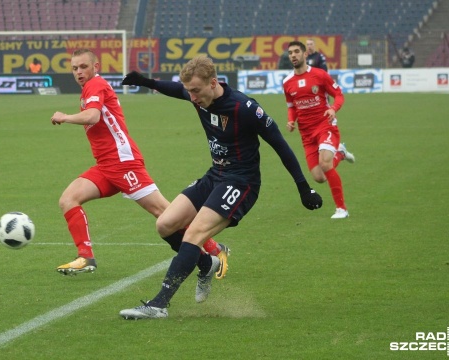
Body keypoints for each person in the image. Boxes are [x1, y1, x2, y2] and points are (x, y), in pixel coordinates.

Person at [118, 56, 323, 319]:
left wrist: (304, 187)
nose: (191, 97)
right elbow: (175, 88)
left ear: (213, 83)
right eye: (189, 91)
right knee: (165, 225)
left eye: (196, 91)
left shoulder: (244, 107)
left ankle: (158, 305)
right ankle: (207, 263)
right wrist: (144, 81)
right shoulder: (198, 95)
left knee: (194, 233)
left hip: (241, 182)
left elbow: (280, 144)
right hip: (215, 175)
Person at [50, 49, 230, 281]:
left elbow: (93, 116)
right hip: (105, 165)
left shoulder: (95, 84)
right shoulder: (88, 89)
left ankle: (216, 250)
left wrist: (65, 117)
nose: (79, 72)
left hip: (123, 163)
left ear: (95, 67)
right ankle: (85, 257)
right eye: (74, 68)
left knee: (166, 213)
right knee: (68, 199)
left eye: (83, 66)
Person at [282, 41, 355, 219]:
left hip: (325, 126)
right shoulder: (287, 82)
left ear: (305, 54)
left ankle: (341, 209)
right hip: (306, 134)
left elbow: (338, 94)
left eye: (297, 51)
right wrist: (291, 121)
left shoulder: (320, 75)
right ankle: (341, 154)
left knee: (325, 163)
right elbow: (291, 106)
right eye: (290, 52)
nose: (293, 55)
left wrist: (333, 109)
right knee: (319, 176)